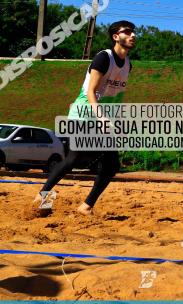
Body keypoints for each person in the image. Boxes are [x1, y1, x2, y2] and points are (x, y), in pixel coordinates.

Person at [36, 20, 136, 215]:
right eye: (127, 32)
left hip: (103, 119)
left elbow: (116, 96)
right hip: (84, 115)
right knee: (75, 157)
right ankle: (42, 196)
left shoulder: (128, 65)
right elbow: (91, 91)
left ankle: (86, 206)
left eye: (133, 32)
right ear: (116, 37)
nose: (132, 35)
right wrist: (101, 117)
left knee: (111, 165)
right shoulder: (103, 58)